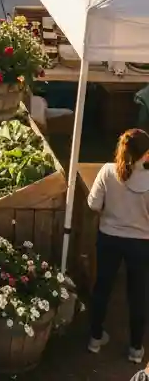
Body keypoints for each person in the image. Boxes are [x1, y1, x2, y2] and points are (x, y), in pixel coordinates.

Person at [88, 128, 149, 362]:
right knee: (138, 294)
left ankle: (95, 338)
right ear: (145, 154)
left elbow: (94, 205)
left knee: (102, 288)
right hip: (141, 243)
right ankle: (135, 348)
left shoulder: (107, 171)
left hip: (109, 238)